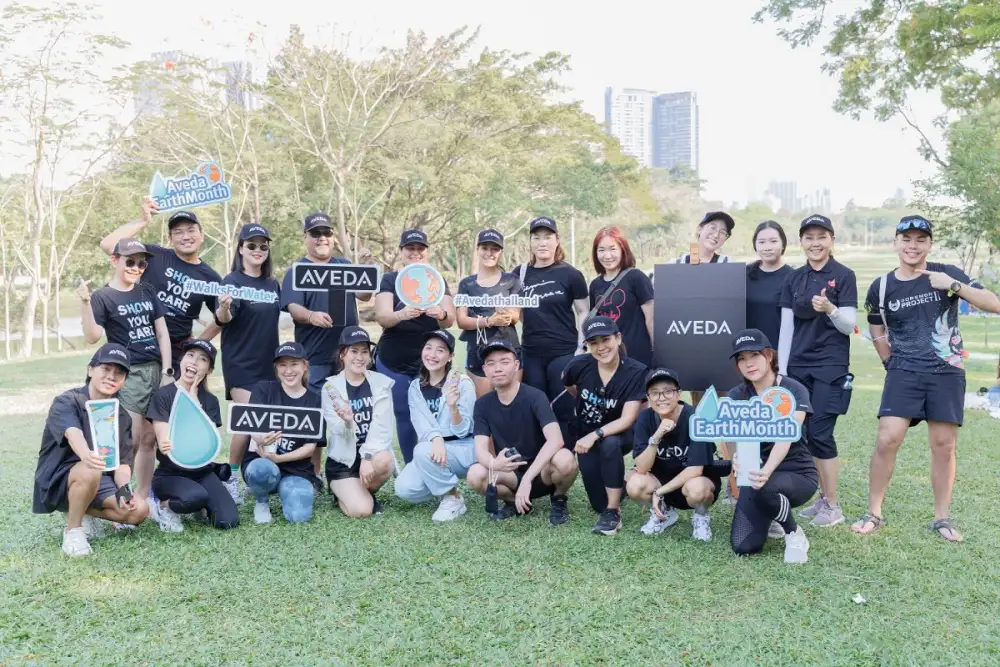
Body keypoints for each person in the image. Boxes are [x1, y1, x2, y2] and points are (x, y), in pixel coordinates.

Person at [854, 215, 1000, 542]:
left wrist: (953, 285)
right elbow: (876, 324)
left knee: (944, 445)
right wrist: (888, 360)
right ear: (895, 243)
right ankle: (873, 513)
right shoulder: (882, 286)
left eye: (921, 240)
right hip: (903, 371)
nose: (913, 246)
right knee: (887, 438)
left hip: (946, 371)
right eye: (906, 239)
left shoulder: (946, 273)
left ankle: (942, 518)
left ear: (930, 245)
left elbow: (994, 304)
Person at [77, 237, 172, 502]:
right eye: (130, 262)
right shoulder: (103, 296)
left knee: (151, 439)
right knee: (132, 439)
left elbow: (162, 334)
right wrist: (85, 303)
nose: (136, 268)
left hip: (156, 370)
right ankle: (117, 496)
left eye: (141, 264)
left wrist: (167, 371)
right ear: (115, 260)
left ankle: (143, 497)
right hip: (130, 374)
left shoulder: (147, 291)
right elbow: (93, 337)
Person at [32, 344, 149, 557]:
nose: (111, 376)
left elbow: (122, 464)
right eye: (106, 369)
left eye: (119, 372)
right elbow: (72, 433)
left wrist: (125, 492)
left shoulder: (121, 416)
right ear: (90, 370)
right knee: (90, 468)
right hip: (59, 479)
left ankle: (83, 508)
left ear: (124, 380)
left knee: (139, 510)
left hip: (97, 479)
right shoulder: (67, 400)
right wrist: (86, 454)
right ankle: (73, 532)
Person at [778, 215, 857, 528]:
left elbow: (849, 325)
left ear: (832, 240)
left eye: (821, 237)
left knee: (821, 433)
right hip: (798, 367)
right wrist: (782, 371)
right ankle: (823, 499)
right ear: (801, 242)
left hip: (830, 366)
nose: (815, 243)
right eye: (809, 237)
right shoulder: (794, 278)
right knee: (806, 434)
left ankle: (833, 505)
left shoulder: (844, 275)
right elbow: (786, 327)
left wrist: (830, 309)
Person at [99, 196, 222, 375]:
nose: (186, 237)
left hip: (176, 353)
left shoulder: (210, 278)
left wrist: (198, 343)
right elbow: (108, 245)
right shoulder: (154, 255)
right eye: (178, 232)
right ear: (170, 238)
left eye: (191, 230)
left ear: (202, 236)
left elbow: (222, 318)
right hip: (138, 347)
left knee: (170, 393)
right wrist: (143, 220)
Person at [466, 339, 579, 524]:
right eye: (491, 363)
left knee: (565, 459)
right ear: (485, 369)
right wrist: (495, 463)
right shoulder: (482, 404)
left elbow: (556, 440)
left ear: (516, 365)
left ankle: (559, 498)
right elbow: (481, 450)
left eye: (504, 361)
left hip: (542, 472)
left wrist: (528, 478)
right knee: (475, 474)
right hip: (510, 473)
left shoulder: (535, 396)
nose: (498, 368)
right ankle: (513, 502)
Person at [726, 329, 816, 563]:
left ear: (769, 356)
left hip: (796, 472)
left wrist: (766, 471)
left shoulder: (794, 390)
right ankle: (772, 513)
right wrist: (736, 458)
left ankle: (793, 533)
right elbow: (734, 437)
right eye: (741, 359)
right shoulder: (737, 395)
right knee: (743, 546)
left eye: (754, 355)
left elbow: (785, 437)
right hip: (755, 475)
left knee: (763, 487)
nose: (748, 364)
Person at [374, 229, 456, 463]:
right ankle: (412, 465)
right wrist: (401, 314)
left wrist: (441, 313)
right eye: (410, 248)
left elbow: (449, 320)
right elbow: (382, 318)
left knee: (433, 413)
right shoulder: (390, 279)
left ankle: (435, 463)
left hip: (430, 361)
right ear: (401, 251)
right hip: (394, 360)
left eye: (421, 249)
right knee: (404, 413)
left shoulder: (436, 280)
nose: (416, 253)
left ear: (427, 252)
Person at [562, 316, 646, 535]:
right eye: (594, 342)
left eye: (606, 339)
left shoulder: (636, 371)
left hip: (621, 434)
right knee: (597, 503)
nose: (601, 347)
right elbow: (571, 387)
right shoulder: (578, 365)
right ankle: (622, 483)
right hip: (585, 433)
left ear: (618, 338)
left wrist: (595, 435)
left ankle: (613, 512)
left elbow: (628, 419)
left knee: (609, 444)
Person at [215, 223, 281, 503]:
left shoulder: (272, 284)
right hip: (241, 365)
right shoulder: (232, 281)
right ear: (241, 248)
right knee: (251, 419)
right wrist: (224, 307)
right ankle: (231, 479)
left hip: (269, 365)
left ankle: (264, 476)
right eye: (251, 245)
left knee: (248, 424)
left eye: (263, 246)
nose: (257, 250)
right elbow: (224, 318)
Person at [147, 340, 238, 532]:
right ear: (181, 360)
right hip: (170, 474)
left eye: (202, 359)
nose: (194, 362)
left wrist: (195, 401)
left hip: (202, 472)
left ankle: (201, 503)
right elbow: (163, 436)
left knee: (228, 521)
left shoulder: (210, 401)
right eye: (190, 355)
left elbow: (206, 442)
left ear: (209, 370)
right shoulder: (163, 395)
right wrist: (164, 441)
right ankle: (162, 506)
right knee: (195, 497)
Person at [280, 212, 373, 395]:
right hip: (316, 360)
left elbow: (364, 296)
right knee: (318, 409)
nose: (322, 238)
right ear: (305, 237)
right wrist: (310, 316)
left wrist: (366, 269)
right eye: (316, 233)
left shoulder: (345, 266)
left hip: (349, 358)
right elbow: (293, 307)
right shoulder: (296, 271)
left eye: (327, 233)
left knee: (352, 410)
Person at [233, 342, 324, 525]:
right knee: (261, 470)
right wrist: (261, 439)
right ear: (276, 368)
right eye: (282, 365)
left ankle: (286, 491)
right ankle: (261, 501)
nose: (288, 370)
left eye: (294, 364)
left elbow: (309, 448)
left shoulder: (315, 400)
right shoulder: (263, 389)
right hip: (262, 461)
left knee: (299, 516)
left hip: (296, 469)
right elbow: (253, 429)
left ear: (305, 366)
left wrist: (279, 459)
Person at [517, 216, 589, 446]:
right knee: (535, 410)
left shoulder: (571, 274)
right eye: (536, 238)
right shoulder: (520, 274)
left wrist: (581, 348)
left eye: (547, 237)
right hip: (531, 354)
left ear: (557, 240)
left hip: (563, 353)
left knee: (563, 411)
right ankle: (539, 460)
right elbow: (514, 312)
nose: (542, 243)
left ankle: (564, 458)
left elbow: (583, 312)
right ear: (530, 242)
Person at [626, 368, 722, 541]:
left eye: (667, 391)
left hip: (694, 483)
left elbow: (695, 469)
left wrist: (659, 492)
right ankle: (664, 513)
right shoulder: (645, 418)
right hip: (660, 481)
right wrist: (656, 436)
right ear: (648, 398)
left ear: (679, 393)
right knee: (635, 484)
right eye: (655, 393)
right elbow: (642, 467)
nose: (661, 398)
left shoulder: (696, 417)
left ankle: (701, 517)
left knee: (698, 488)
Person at [394, 330, 477, 522]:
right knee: (404, 488)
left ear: (450, 356)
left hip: (462, 451)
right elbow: (420, 424)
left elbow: (464, 430)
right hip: (433, 450)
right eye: (428, 348)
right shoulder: (415, 387)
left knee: (421, 450)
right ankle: (441, 486)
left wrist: (453, 406)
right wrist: (436, 438)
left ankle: (452, 497)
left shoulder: (462, 383)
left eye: (440, 350)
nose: (432, 355)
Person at [322, 326, 398, 518]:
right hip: (343, 460)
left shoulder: (382, 383)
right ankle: (344, 493)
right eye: (354, 351)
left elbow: (383, 428)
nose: (360, 357)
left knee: (385, 460)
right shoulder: (330, 387)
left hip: (371, 454)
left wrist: (367, 457)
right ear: (342, 354)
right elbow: (338, 431)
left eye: (364, 351)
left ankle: (364, 492)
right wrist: (347, 422)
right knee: (361, 511)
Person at [455, 229, 522, 397]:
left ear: (500, 252)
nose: (489, 253)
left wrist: (505, 313)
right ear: (477, 249)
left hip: (509, 349)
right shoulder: (466, 284)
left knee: (512, 403)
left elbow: (516, 316)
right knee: (483, 404)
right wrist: (489, 321)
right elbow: (461, 320)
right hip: (478, 351)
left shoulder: (512, 280)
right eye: (485, 248)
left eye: (495, 249)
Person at [589, 226, 655, 367]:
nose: (607, 256)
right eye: (601, 250)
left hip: (638, 358)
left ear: (623, 249)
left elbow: (651, 320)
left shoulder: (636, 277)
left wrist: (658, 353)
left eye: (613, 249)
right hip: (609, 359)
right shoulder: (595, 285)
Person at [746, 221, 793, 346]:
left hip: (778, 350)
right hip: (747, 350)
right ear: (755, 245)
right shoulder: (744, 274)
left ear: (783, 243)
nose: (767, 247)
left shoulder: (793, 278)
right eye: (761, 242)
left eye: (773, 241)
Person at [669, 211, 734, 265]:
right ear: (699, 229)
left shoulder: (728, 265)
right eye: (713, 228)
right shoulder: (675, 264)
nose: (716, 235)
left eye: (722, 232)